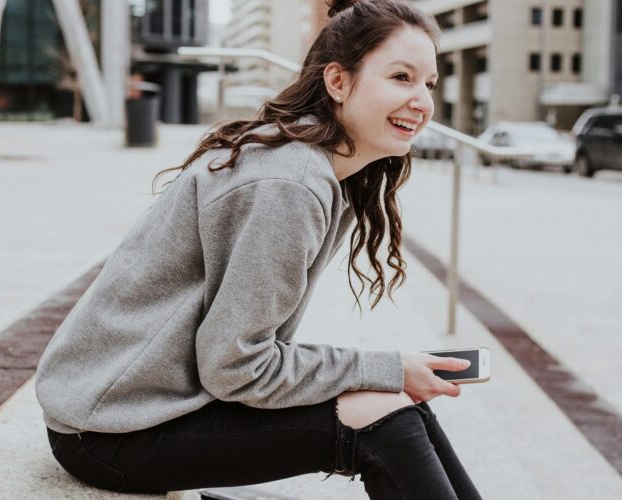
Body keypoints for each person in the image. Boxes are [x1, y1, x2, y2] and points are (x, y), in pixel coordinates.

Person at [35, 0, 482, 498]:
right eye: (402, 77)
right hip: (111, 430)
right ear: (337, 82)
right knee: (387, 418)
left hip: (142, 403)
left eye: (429, 83)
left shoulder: (310, 166)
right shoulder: (289, 184)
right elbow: (236, 366)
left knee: (399, 403)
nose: (422, 100)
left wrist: (387, 373)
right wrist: (385, 366)